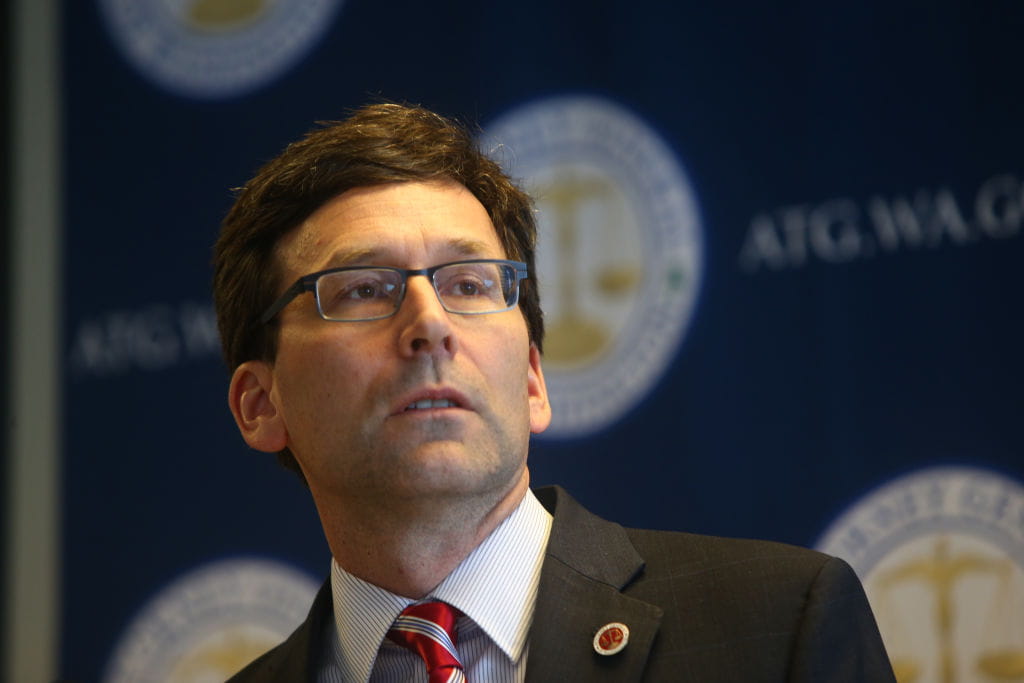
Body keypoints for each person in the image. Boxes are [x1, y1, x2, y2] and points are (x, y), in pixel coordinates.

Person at [214, 103, 896, 682]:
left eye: (468, 284)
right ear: (259, 404)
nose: (430, 324)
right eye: (364, 289)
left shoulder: (778, 628)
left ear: (533, 380)